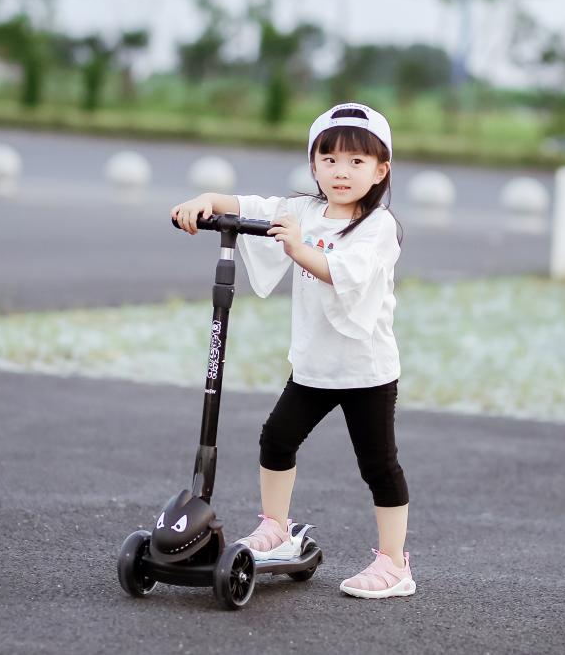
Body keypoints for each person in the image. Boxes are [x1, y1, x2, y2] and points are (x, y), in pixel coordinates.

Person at [170, 103, 414, 600]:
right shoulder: (302, 211)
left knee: (378, 465)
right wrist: (203, 201)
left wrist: (300, 249)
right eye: (329, 159)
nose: (341, 171)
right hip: (314, 364)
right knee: (277, 440)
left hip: (365, 369)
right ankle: (276, 528)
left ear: (380, 170)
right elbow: (244, 205)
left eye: (356, 161)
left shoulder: (378, 226)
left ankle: (394, 563)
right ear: (313, 165)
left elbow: (343, 273)